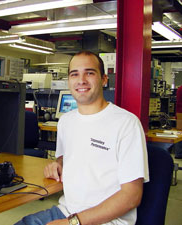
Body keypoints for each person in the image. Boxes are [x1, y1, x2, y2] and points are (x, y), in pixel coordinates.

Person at [15, 51, 149, 225]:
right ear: (69, 81)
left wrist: (73, 222)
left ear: (103, 79)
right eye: (74, 74)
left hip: (107, 220)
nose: (81, 80)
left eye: (90, 73)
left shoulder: (126, 124)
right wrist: (56, 166)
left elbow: (132, 196)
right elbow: (64, 160)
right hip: (66, 210)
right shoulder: (65, 122)